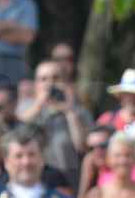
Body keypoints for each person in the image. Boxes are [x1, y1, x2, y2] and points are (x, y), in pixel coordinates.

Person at [19, 59, 92, 191]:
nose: (49, 83)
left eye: (55, 78)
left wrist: (69, 111)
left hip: (68, 183)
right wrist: (39, 105)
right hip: (33, 183)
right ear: (36, 84)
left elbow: (82, 147)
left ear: (65, 82)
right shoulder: (26, 108)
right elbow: (17, 134)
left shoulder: (79, 112)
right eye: (43, 79)